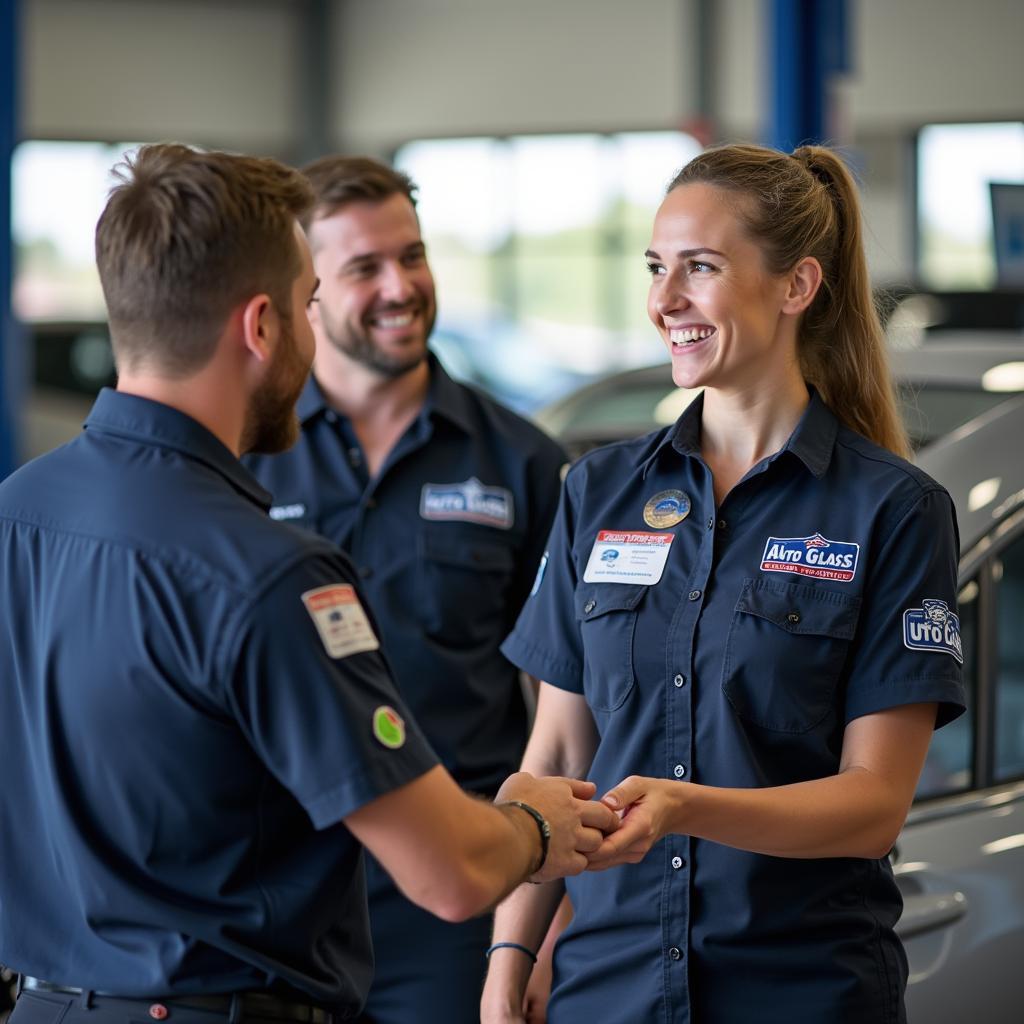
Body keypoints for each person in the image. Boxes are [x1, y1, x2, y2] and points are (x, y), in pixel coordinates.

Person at [0, 143, 618, 1024]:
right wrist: (536, 825)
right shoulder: (268, 573)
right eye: (309, 302)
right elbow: (451, 872)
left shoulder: (16, 514)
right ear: (262, 326)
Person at [480, 143, 966, 1024]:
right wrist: (509, 957)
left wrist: (683, 807)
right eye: (657, 268)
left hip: (800, 992)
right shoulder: (599, 492)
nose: (664, 301)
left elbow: (873, 805)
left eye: (699, 268)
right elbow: (554, 760)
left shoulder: (892, 509)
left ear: (796, 286)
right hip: (609, 990)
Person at [244, 156, 567, 1024]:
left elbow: (572, 704)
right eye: (364, 268)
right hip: (277, 893)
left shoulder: (523, 465)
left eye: (413, 256)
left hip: (462, 893)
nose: (402, 286)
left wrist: (545, 915)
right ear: (307, 289)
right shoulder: (244, 457)